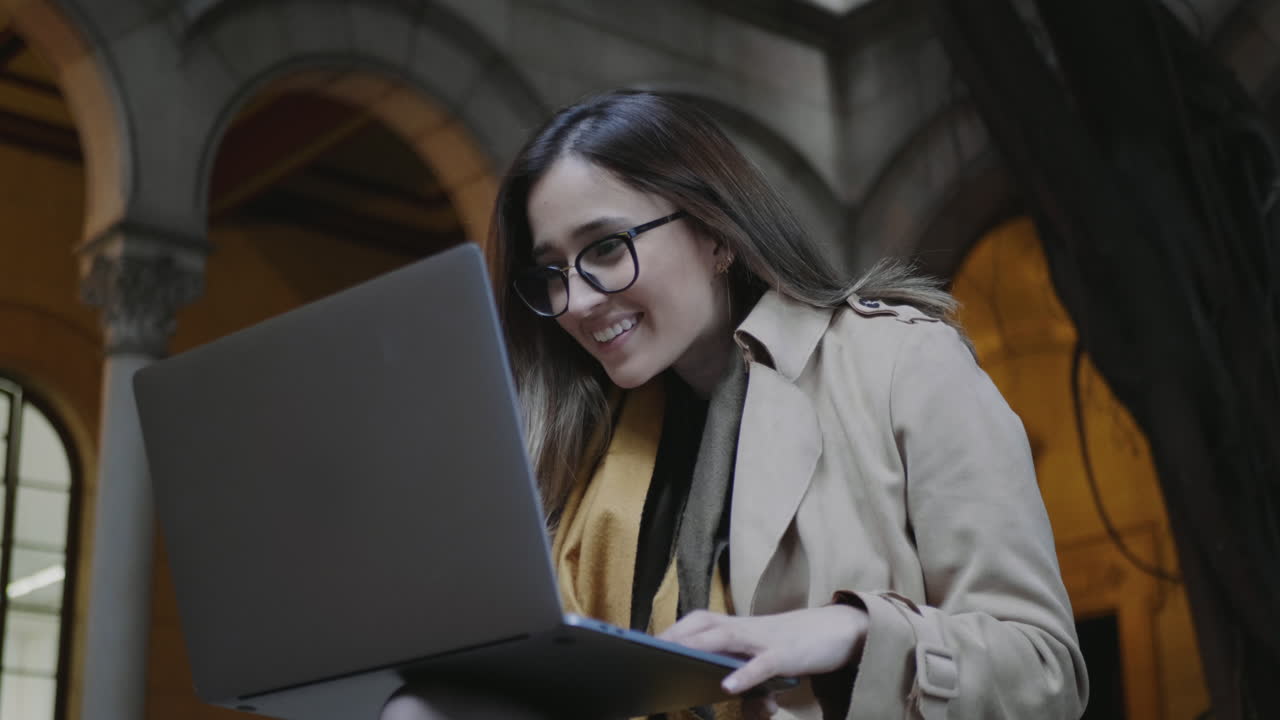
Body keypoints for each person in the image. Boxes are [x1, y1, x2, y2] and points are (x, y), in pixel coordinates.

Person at [388, 89, 1088, 720]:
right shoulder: (582, 439)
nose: (577, 300)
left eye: (605, 247)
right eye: (553, 272)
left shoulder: (903, 362)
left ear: (716, 233)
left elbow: (1044, 670)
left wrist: (852, 633)